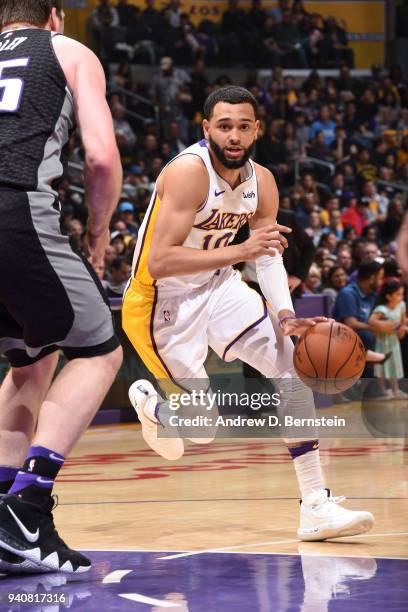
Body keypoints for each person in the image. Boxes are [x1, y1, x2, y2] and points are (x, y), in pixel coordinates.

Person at [122, 86, 374, 542]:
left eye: (243, 125)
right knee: (201, 431)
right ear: (206, 129)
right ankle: (155, 407)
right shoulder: (188, 173)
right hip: (161, 303)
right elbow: (159, 261)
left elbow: (269, 255)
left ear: (257, 129)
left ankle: (315, 504)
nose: (234, 135)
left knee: (290, 367)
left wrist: (285, 316)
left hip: (220, 287)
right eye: (224, 126)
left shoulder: (264, 182)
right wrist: (241, 248)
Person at [0, 1, 123, 574]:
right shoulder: (69, 51)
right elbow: (100, 158)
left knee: (30, 357)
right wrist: (97, 236)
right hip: (15, 207)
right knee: (100, 349)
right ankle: (27, 507)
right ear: (54, 15)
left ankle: (4, 518)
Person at [369, 281, 408, 399]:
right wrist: (385, 324)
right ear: (388, 296)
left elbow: (403, 320)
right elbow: (371, 321)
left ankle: (395, 390)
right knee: (381, 365)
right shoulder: (382, 309)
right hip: (382, 341)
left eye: (402, 294)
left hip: (394, 341)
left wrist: (403, 328)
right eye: (398, 294)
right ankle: (383, 391)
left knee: (395, 365)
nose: (401, 297)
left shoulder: (401, 305)